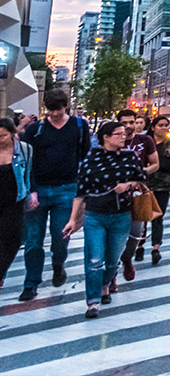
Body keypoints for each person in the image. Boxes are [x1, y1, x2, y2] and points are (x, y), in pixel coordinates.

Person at [61, 121, 146, 318]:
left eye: (124, 133)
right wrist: (73, 219)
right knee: (94, 259)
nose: (123, 137)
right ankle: (92, 302)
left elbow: (142, 181)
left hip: (121, 215)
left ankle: (106, 283)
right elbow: (80, 192)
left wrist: (128, 185)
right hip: (95, 215)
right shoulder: (91, 158)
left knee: (112, 260)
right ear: (105, 137)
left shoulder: (129, 156)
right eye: (118, 134)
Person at [19, 88, 91, 301]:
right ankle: (31, 282)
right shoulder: (36, 130)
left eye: (57, 110)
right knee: (33, 239)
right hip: (39, 189)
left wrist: (83, 192)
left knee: (61, 236)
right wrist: (31, 189)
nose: (54, 115)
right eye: (50, 111)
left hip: (67, 188)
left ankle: (58, 264)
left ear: (65, 106)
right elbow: (27, 162)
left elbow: (85, 156)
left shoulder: (79, 126)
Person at [115, 109, 159, 284]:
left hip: (138, 192)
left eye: (131, 122)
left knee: (136, 233)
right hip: (116, 193)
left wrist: (141, 172)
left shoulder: (145, 140)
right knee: (116, 234)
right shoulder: (113, 139)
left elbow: (155, 164)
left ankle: (127, 258)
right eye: (124, 123)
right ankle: (112, 273)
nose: (128, 126)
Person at [0, 117, 33, 289]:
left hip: (15, 200)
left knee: (13, 239)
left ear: (13, 135)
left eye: (3, 136)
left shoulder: (24, 150)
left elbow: (29, 172)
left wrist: (31, 193)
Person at [145, 116, 170, 265]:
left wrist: (155, 164)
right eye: (161, 125)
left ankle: (155, 248)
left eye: (166, 125)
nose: (164, 128)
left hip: (162, 185)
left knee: (158, 217)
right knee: (142, 216)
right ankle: (139, 245)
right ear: (153, 127)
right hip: (145, 185)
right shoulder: (146, 141)